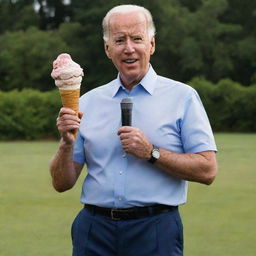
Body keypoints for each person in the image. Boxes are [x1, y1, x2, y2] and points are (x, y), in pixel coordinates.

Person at [50, 4, 218, 256]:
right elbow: (62, 183)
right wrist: (66, 144)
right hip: (95, 230)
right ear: (108, 49)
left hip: (155, 229)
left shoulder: (183, 97)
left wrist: (151, 152)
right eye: (119, 40)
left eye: (136, 38)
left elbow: (207, 170)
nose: (129, 48)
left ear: (151, 44)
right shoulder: (87, 102)